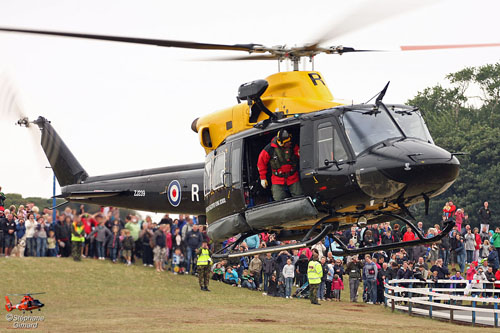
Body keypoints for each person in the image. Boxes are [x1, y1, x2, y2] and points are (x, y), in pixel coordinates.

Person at [257, 130, 303, 201]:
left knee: (299, 195)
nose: (289, 143)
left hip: (292, 176)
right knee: (278, 198)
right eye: (287, 142)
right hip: (277, 178)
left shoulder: (293, 146)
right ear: (281, 143)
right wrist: (263, 178)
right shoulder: (270, 149)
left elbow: (300, 155)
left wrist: (300, 154)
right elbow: (261, 162)